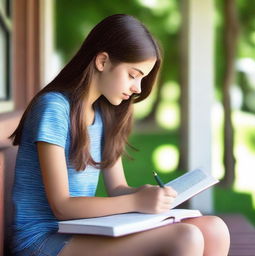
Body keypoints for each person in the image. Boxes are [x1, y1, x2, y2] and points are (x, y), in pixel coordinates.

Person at [9, 14, 230, 256]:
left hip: (79, 230)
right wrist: (137, 202)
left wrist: (143, 194)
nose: (138, 88)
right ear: (102, 61)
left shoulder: (103, 114)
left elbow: (118, 188)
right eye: (133, 75)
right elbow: (62, 206)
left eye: (142, 78)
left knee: (214, 228)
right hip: (42, 240)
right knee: (185, 237)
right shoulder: (54, 107)